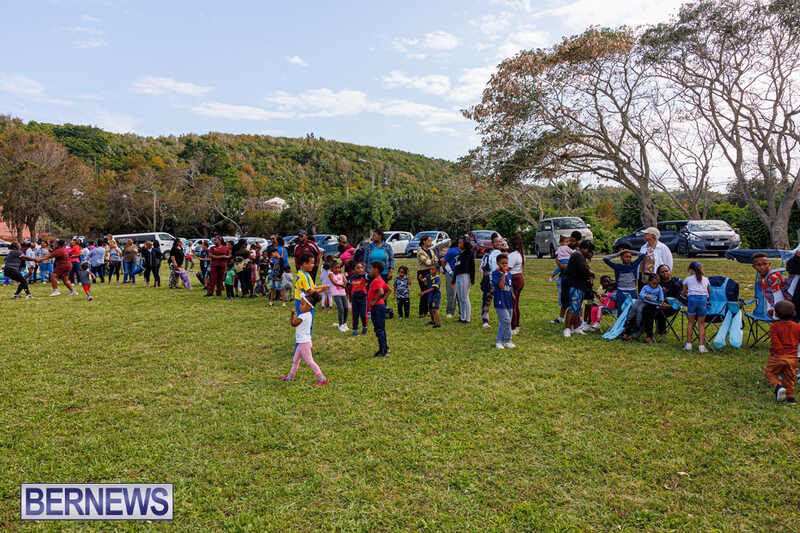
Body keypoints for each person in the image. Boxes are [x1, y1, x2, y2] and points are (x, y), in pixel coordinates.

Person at [280, 291, 329, 386]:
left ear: (309, 307)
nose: (300, 306)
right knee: (295, 360)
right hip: (302, 342)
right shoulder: (308, 315)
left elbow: (293, 324)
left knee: (310, 361)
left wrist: (292, 314)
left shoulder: (303, 316)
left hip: (304, 343)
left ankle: (322, 378)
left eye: (302, 304)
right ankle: (290, 376)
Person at [766, 300, 799, 403]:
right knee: (789, 378)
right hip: (793, 357)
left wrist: (777, 353)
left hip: (779, 356)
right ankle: (790, 398)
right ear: (794, 313)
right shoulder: (797, 327)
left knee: (769, 372)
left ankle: (778, 387)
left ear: (776, 314)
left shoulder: (774, 327)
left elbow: (775, 342)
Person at [562, 240, 595, 337]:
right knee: (573, 307)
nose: (589, 253)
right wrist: (591, 274)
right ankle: (567, 328)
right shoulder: (578, 255)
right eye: (589, 251)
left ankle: (576, 327)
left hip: (580, 286)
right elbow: (585, 269)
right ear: (584, 249)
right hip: (575, 285)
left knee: (577, 308)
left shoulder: (579, 255)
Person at [624, 274, 664, 344]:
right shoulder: (646, 287)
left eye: (657, 284)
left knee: (641, 310)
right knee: (635, 308)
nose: (655, 285)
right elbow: (641, 294)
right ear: (649, 282)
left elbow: (661, 295)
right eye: (654, 283)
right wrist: (646, 296)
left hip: (652, 303)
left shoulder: (659, 287)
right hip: (643, 300)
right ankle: (629, 322)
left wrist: (661, 300)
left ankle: (638, 325)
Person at [551, 232, 581, 325]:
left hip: (574, 278)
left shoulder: (580, 250)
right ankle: (560, 318)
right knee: (563, 299)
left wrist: (562, 265)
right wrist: (561, 264)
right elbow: (557, 259)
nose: (570, 242)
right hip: (563, 277)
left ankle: (579, 319)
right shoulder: (566, 248)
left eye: (572, 241)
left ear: (578, 241)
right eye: (570, 240)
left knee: (576, 300)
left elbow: (567, 266)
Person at [682, 261, 710, 353]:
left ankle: (689, 344)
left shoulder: (688, 279)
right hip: (702, 300)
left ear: (691, 270)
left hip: (692, 300)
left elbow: (683, 292)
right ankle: (701, 346)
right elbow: (708, 293)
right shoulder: (706, 279)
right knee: (701, 324)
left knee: (691, 322)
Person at [480, 233, 505, 328]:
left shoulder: (501, 254)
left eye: (500, 241)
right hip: (491, 281)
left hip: (499, 281)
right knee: (487, 301)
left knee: (500, 301)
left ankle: (502, 319)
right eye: (497, 242)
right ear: (492, 243)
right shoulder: (488, 254)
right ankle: (485, 320)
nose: (499, 243)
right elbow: (481, 267)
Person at [367, 261, 392, 357]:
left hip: (377, 307)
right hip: (380, 306)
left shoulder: (376, 281)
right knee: (381, 328)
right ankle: (385, 347)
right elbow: (389, 290)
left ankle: (383, 351)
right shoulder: (381, 280)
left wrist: (375, 301)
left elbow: (381, 292)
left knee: (379, 329)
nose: (369, 271)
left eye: (371, 268)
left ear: (376, 270)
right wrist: (383, 300)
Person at [751, 252, 787, 317]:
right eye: (758, 265)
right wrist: (769, 309)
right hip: (775, 308)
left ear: (769, 264)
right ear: (753, 266)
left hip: (784, 309)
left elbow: (779, 297)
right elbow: (767, 294)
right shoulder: (763, 276)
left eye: (765, 264)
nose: (762, 267)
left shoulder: (773, 277)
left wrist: (776, 315)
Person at [491, 253, 515, 349]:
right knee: (506, 320)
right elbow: (500, 285)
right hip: (500, 301)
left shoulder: (509, 274)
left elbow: (509, 285)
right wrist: (504, 274)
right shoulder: (495, 273)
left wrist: (512, 293)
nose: (505, 265)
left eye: (506, 263)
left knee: (507, 321)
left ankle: (507, 341)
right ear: (498, 263)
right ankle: (499, 341)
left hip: (508, 300)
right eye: (502, 263)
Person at [638, 227, 673, 291]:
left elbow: (668, 263)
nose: (644, 235)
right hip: (644, 276)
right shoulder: (643, 247)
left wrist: (666, 275)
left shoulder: (663, 248)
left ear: (653, 235)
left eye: (646, 233)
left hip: (657, 276)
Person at [452, 237, 475, 323]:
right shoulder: (459, 255)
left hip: (465, 276)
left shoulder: (469, 253)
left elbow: (472, 267)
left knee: (465, 297)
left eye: (461, 243)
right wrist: (453, 280)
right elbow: (456, 268)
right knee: (460, 297)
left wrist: (472, 279)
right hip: (458, 277)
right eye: (458, 243)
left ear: (465, 244)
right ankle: (462, 317)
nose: (459, 245)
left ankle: (467, 318)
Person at [508, 234, 525, 335]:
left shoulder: (513, 255)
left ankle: (513, 326)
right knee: (516, 303)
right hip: (519, 278)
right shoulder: (520, 254)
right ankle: (516, 324)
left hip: (514, 279)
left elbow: (507, 268)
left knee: (512, 304)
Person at [416, 235, 437, 318]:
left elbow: (435, 260)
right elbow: (427, 262)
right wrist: (434, 260)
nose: (431, 242)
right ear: (424, 241)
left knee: (429, 292)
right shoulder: (419, 251)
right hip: (423, 273)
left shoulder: (431, 251)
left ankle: (428, 311)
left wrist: (433, 261)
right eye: (429, 240)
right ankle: (421, 312)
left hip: (430, 272)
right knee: (424, 292)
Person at [441, 241, 460, 319]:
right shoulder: (452, 251)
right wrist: (446, 270)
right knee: (451, 293)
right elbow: (443, 261)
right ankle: (450, 312)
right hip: (451, 274)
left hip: (460, 274)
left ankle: (462, 312)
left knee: (460, 294)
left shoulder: (463, 251)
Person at [420, 263, 442, 328]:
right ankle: (432, 321)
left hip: (435, 296)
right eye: (430, 269)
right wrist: (421, 279)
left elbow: (433, 288)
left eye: (432, 269)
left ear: (437, 270)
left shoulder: (437, 278)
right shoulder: (428, 276)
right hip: (430, 296)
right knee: (430, 309)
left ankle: (438, 324)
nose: (431, 270)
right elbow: (424, 281)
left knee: (435, 309)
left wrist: (424, 292)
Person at [350, 262, 369, 336]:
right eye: (358, 268)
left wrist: (366, 271)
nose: (360, 269)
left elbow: (369, 276)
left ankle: (365, 327)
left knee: (363, 315)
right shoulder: (352, 278)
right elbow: (348, 284)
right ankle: (355, 330)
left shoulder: (364, 276)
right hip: (354, 299)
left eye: (361, 267)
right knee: (355, 315)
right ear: (353, 270)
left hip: (363, 299)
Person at [329, 261, 349, 331]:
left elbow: (346, 281)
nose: (337, 269)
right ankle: (340, 325)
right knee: (341, 309)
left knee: (346, 308)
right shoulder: (331, 274)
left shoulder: (342, 275)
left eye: (339, 268)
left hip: (343, 293)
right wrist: (342, 285)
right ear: (331, 269)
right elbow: (334, 282)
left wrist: (346, 285)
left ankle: (344, 323)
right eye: (335, 268)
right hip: (336, 293)